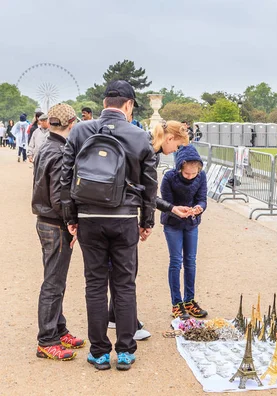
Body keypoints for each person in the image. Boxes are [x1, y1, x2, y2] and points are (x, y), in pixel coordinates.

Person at [61, 80, 157, 371]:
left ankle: (100, 351)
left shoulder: (79, 131)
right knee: (125, 285)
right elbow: (150, 183)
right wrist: (147, 220)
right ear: (128, 105)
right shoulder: (139, 136)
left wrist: (71, 218)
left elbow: (66, 179)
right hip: (124, 216)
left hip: (90, 216)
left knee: (94, 285)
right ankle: (126, 350)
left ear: (104, 104)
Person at [107, 120, 192, 338]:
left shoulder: (141, 143)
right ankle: (127, 324)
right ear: (169, 138)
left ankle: (115, 316)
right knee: (126, 271)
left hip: (112, 207)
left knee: (118, 269)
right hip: (121, 213)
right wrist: (147, 223)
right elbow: (148, 193)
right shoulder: (148, 151)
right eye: (177, 146)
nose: (175, 151)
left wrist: (171, 208)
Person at [32, 103, 85, 361]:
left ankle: (58, 328)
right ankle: (47, 340)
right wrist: (71, 221)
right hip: (55, 222)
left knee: (56, 279)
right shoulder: (60, 151)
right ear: (72, 123)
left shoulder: (46, 145)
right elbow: (59, 197)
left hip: (46, 220)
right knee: (53, 282)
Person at [161, 144, 208, 318]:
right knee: (176, 261)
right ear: (180, 167)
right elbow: (166, 203)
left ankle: (190, 300)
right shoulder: (169, 177)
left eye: (193, 174)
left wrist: (198, 208)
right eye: (186, 173)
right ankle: (176, 302)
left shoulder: (201, 176)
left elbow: (202, 199)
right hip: (173, 223)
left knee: (191, 261)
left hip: (191, 223)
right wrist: (177, 209)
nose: (189, 177)